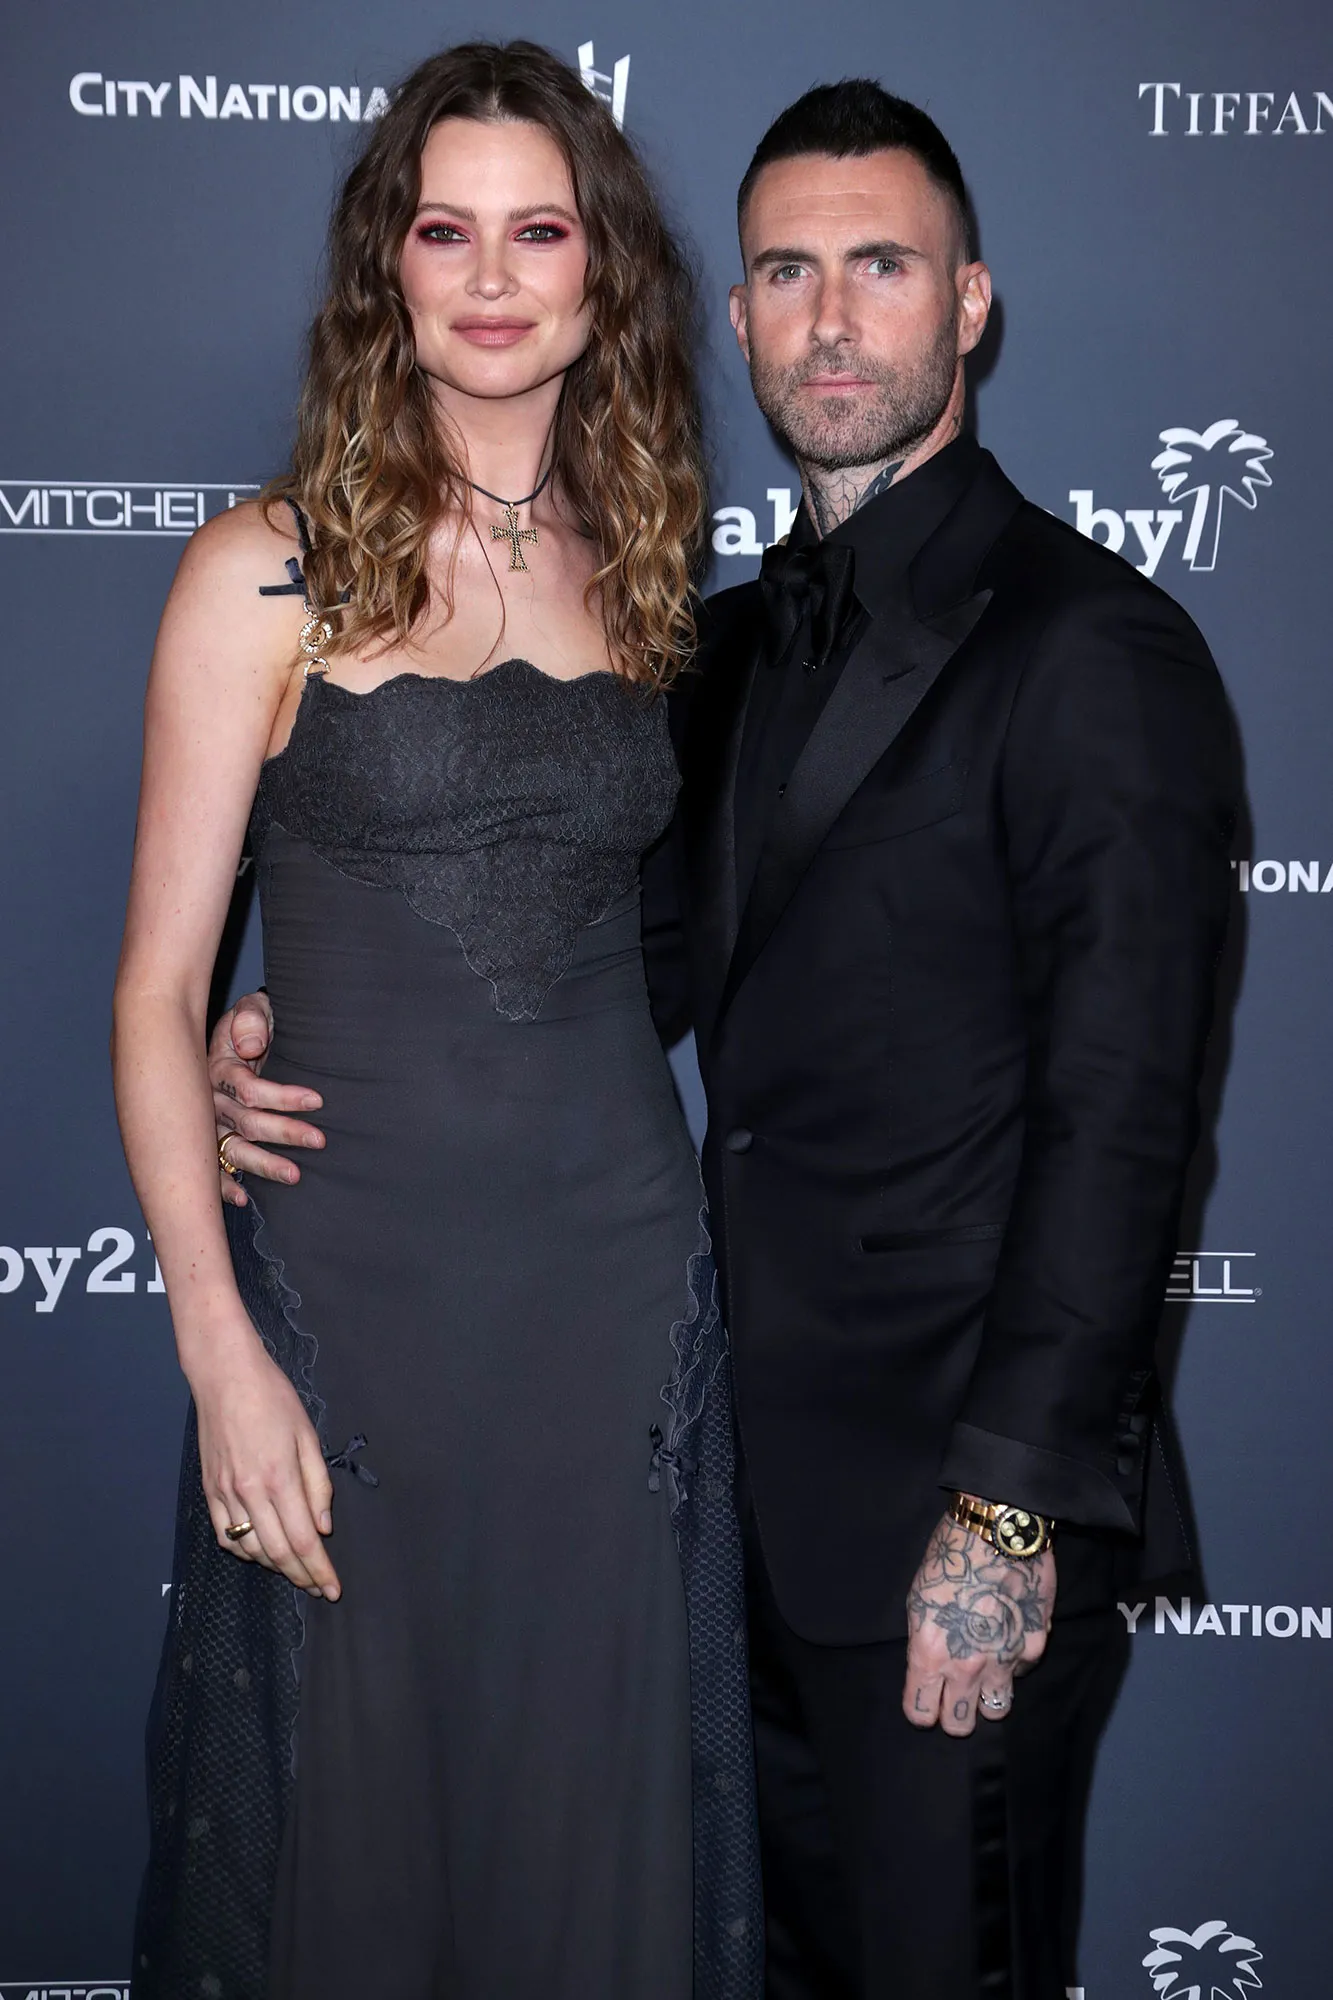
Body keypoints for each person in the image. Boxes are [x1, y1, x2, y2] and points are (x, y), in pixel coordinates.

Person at [207, 79, 1241, 2000]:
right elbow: (594, 956)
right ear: (738, 312)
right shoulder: (718, 641)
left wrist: (1004, 1511)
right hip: (703, 1498)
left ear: (972, 304)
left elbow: (1125, 1122)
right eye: (787, 271)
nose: (830, 317)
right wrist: (287, 1024)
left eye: (882, 267)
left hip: (953, 1527)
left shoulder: (1093, 648)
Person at [112, 41, 760, 2000]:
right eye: (444, 230)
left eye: (537, 232)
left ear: (600, 270)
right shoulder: (264, 571)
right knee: (352, 1845)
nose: (491, 278)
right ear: (384, 267)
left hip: (620, 1299)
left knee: (596, 1835)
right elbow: (155, 990)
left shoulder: (645, 572)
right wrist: (220, 1350)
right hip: (354, 1313)